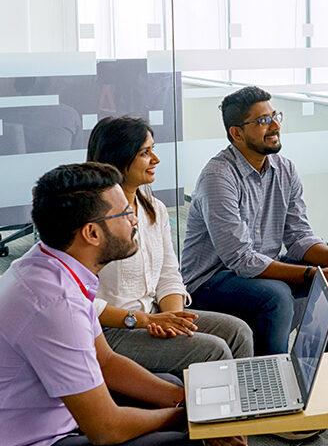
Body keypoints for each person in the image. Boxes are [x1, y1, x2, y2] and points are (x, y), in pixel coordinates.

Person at [0, 163, 269, 446]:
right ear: (92, 233)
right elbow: (104, 428)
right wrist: (187, 418)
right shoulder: (54, 304)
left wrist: (182, 399)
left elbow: (106, 361)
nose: (134, 219)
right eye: (125, 213)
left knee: (167, 386)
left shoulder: (52, 266)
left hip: (51, 423)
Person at [181, 86, 328, 355]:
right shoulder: (218, 177)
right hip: (211, 280)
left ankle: (325, 367)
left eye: (275, 116)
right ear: (237, 133)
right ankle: (273, 382)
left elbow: (299, 237)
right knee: (276, 295)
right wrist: (310, 273)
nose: (274, 125)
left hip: (262, 269)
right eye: (263, 121)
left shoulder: (284, 169)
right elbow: (240, 259)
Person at [87, 116, 255, 375]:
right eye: (146, 153)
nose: (156, 159)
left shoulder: (155, 210)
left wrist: (173, 320)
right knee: (214, 350)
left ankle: (251, 410)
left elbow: (168, 275)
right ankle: (215, 414)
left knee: (239, 332)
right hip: (108, 329)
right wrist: (147, 321)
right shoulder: (91, 221)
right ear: (120, 157)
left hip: (153, 315)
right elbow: (80, 300)